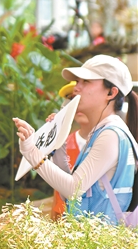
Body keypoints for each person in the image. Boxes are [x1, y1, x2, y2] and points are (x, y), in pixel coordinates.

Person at [13, 55, 138, 224]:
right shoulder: (102, 131)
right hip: (93, 237)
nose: (76, 88)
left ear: (111, 92)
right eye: (77, 81)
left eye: (86, 81)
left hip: (99, 238)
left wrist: (32, 152)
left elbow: (73, 189)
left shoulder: (111, 135)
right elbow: (69, 190)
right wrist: (56, 141)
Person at [51, 82, 90, 220]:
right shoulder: (63, 142)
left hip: (93, 223)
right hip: (63, 219)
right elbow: (57, 189)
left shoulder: (110, 141)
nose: (77, 105)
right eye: (72, 100)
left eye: (80, 99)